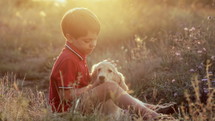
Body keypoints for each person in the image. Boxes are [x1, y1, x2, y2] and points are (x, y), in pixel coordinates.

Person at [48, 8, 173, 120]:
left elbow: (83, 83)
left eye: (95, 39)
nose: (93, 44)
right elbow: (65, 95)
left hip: (78, 104)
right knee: (109, 87)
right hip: (67, 113)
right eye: (87, 40)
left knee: (110, 85)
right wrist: (94, 86)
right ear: (70, 38)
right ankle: (154, 117)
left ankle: (154, 109)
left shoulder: (78, 54)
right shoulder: (68, 60)